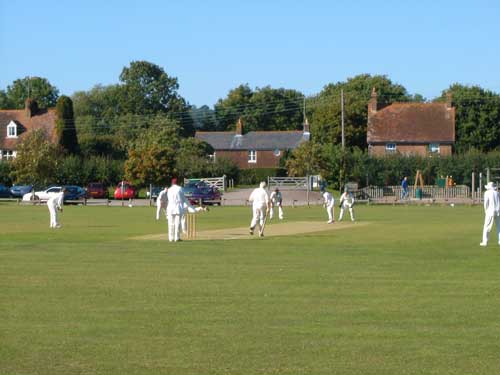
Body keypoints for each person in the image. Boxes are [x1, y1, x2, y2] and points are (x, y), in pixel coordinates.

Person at [166, 178, 188, 242]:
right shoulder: (180, 188)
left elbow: (168, 198)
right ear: (177, 183)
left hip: (170, 207)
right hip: (178, 207)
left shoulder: (169, 189)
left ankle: (171, 238)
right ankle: (177, 238)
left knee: (170, 223)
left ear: (172, 183)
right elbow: (183, 198)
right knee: (177, 223)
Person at [480, 181, 500, 246]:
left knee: (486, 227)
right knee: (499, 227)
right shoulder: (497, 193)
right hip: (498, 211)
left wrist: (486, 211)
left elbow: (486, 203)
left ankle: (485, 242)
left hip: (490, 211)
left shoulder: (487, 193)